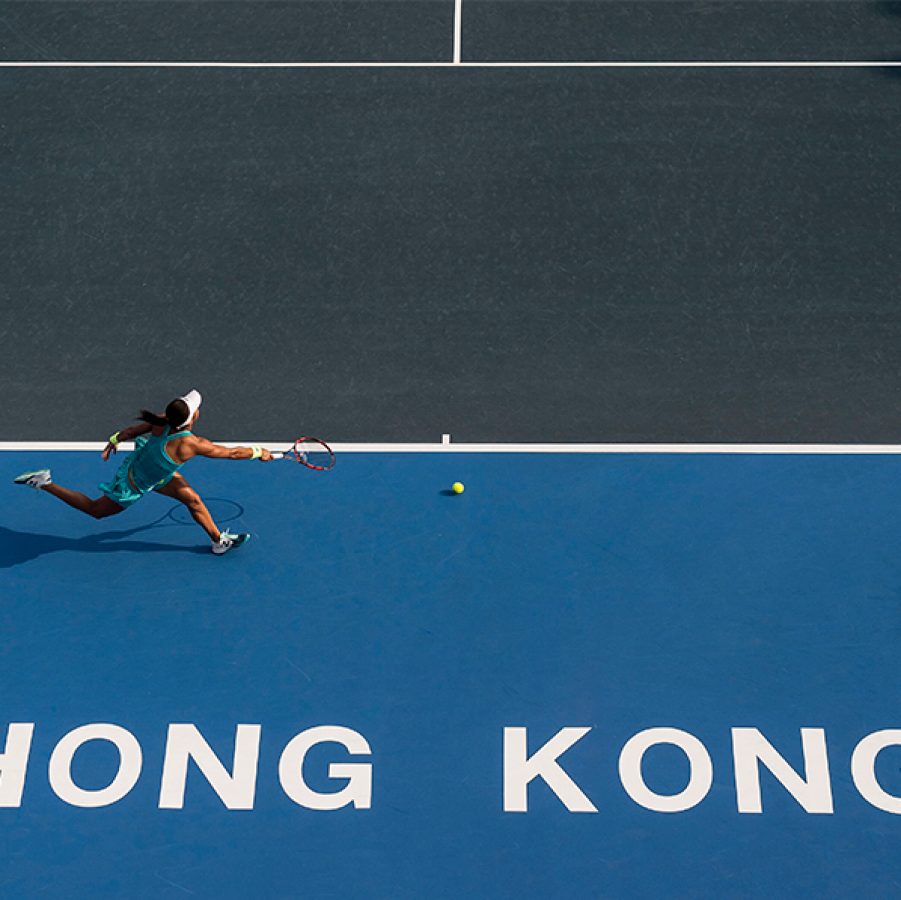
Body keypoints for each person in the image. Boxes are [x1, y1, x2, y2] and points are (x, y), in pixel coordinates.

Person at [13, 390, 271, 555]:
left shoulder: (163, 421)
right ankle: (45, 482)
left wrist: (116, 438)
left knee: (192, 499)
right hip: (135, 483)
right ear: (191, 420)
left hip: (154, 471)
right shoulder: (191, 444)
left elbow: (134, 431)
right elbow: (231, 453)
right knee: (95, 511)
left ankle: (218, 540)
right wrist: (259, 452)